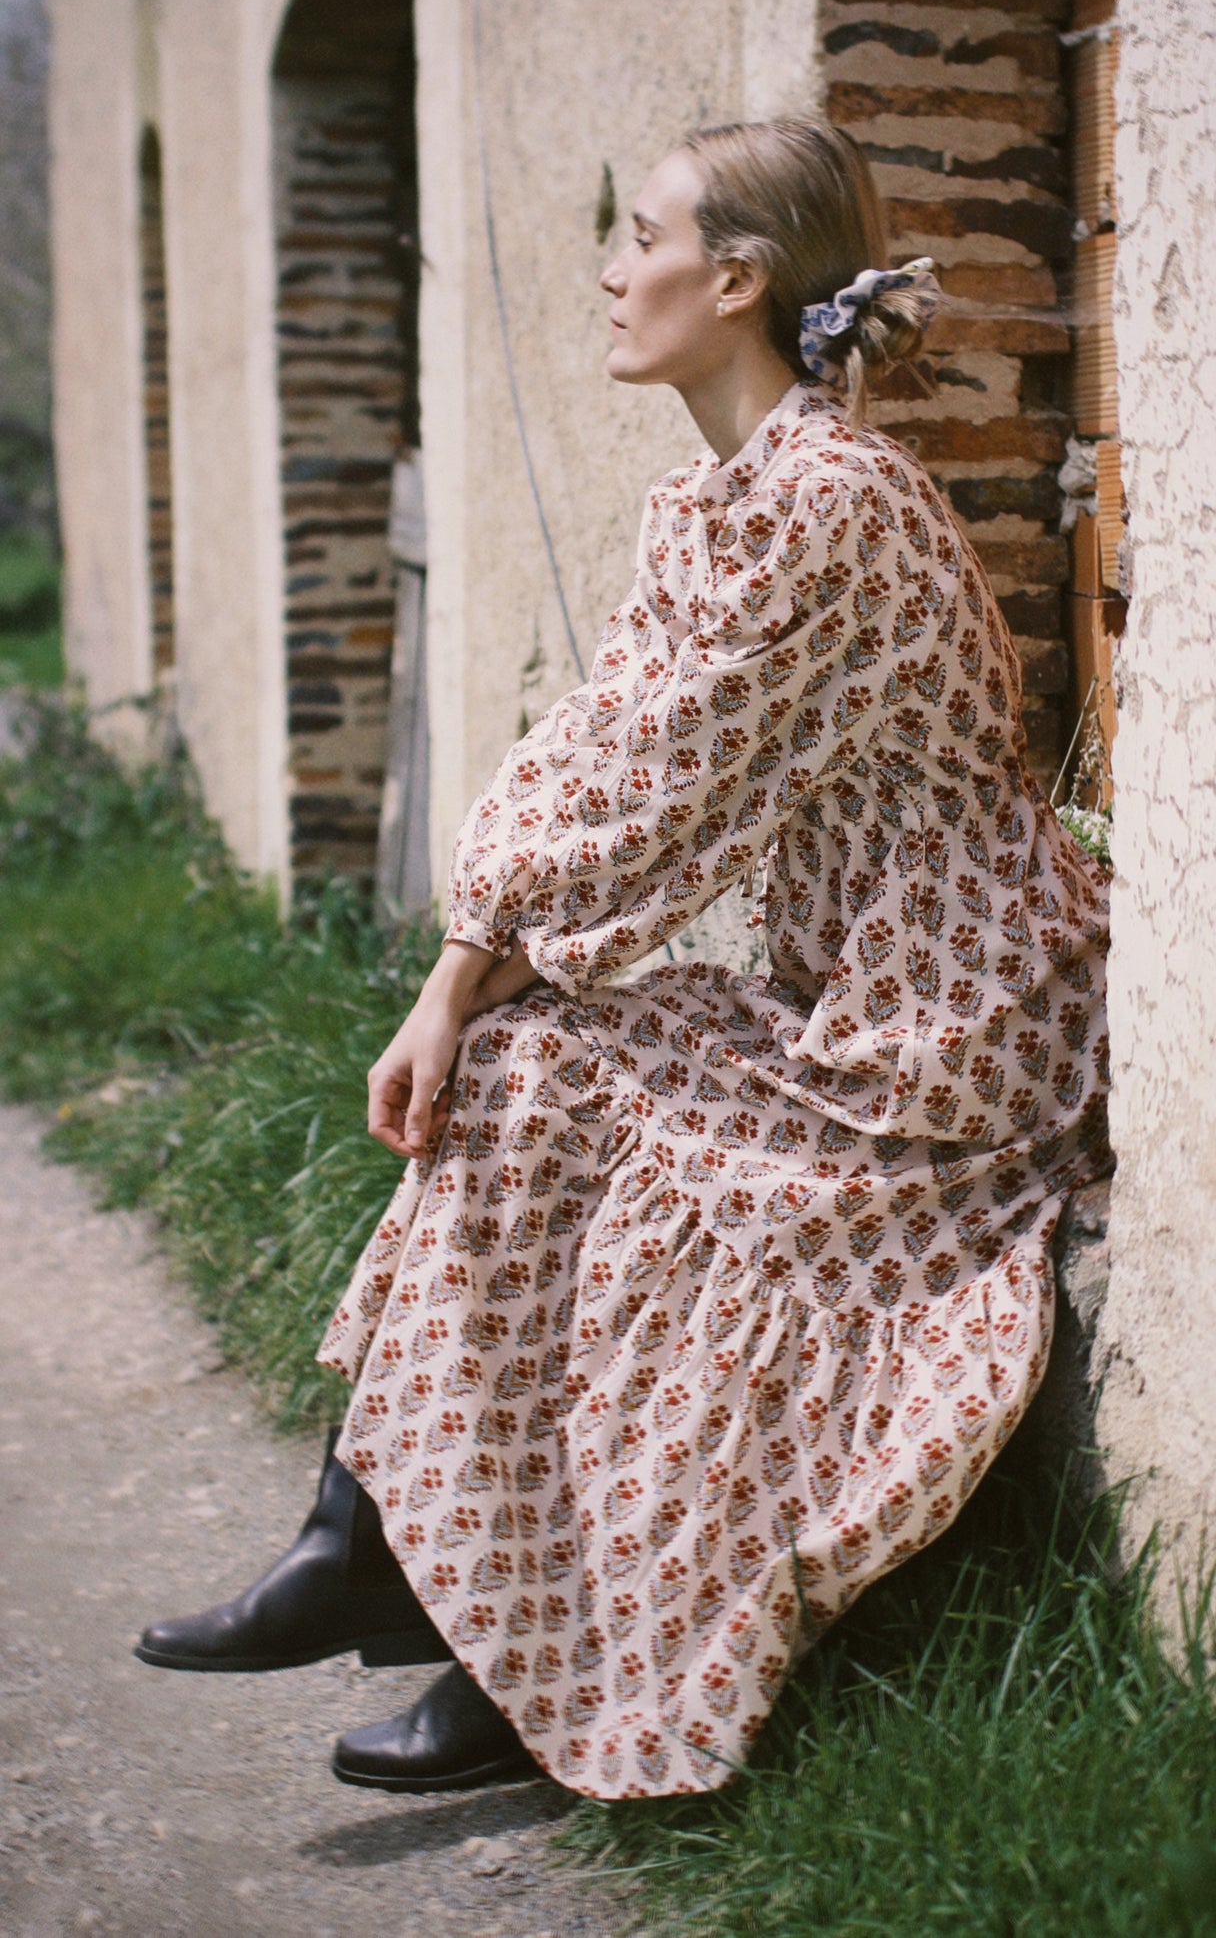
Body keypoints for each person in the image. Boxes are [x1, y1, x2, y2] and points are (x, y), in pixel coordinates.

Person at [137, 118, 1110, 1800]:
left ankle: (527, 1650)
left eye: (636, 232)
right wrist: (462, 989)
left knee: (661, 1191)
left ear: (732, 279)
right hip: (840, 1006)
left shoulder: (829, 503)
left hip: (948, 1036)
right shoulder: (713, 504)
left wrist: (459, 971)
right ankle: (375, 1547)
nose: (607, 266)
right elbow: (600, 742)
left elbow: (658, 788)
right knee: (528, 1074)